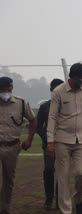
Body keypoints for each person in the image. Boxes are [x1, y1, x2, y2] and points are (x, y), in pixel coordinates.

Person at [46, 63, 82, 214]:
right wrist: (50, 142)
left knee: (81, 174)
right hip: (62, 140)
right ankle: (66, 210)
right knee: (63, 177)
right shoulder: (58, 92)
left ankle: (78, 199)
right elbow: (52, 117)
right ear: (75, 77)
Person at [0, 76, 37, 214]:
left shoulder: (21, 103)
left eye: (8, 89)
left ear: (12, 88)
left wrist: (29, 139)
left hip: (12, 146)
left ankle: (4, 209)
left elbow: (33, 120)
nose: (6, 92)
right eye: (3, 90)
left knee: (8, 180)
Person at [37, 78, 64, 210]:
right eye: (55, 89)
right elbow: (39, 126)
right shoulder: (44, 107)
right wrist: (47, 138)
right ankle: (49, 199)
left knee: (62, 172)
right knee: (48, 170)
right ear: (51, 90)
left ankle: (60, 200)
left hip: (65, 144)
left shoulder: (67, 105)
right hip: (49, 145)